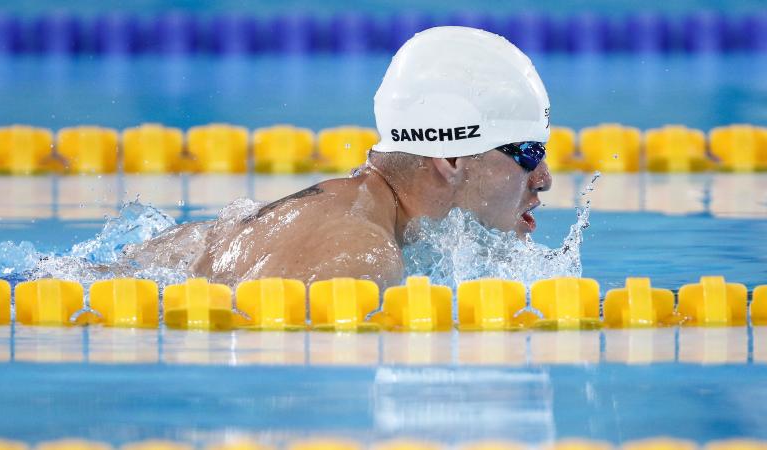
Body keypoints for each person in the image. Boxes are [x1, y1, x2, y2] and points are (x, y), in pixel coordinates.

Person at [127, 26, 552, 289]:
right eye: (529, 153)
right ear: (451, 158)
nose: (545, 178)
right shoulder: (357, 259)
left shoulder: (348, 212)